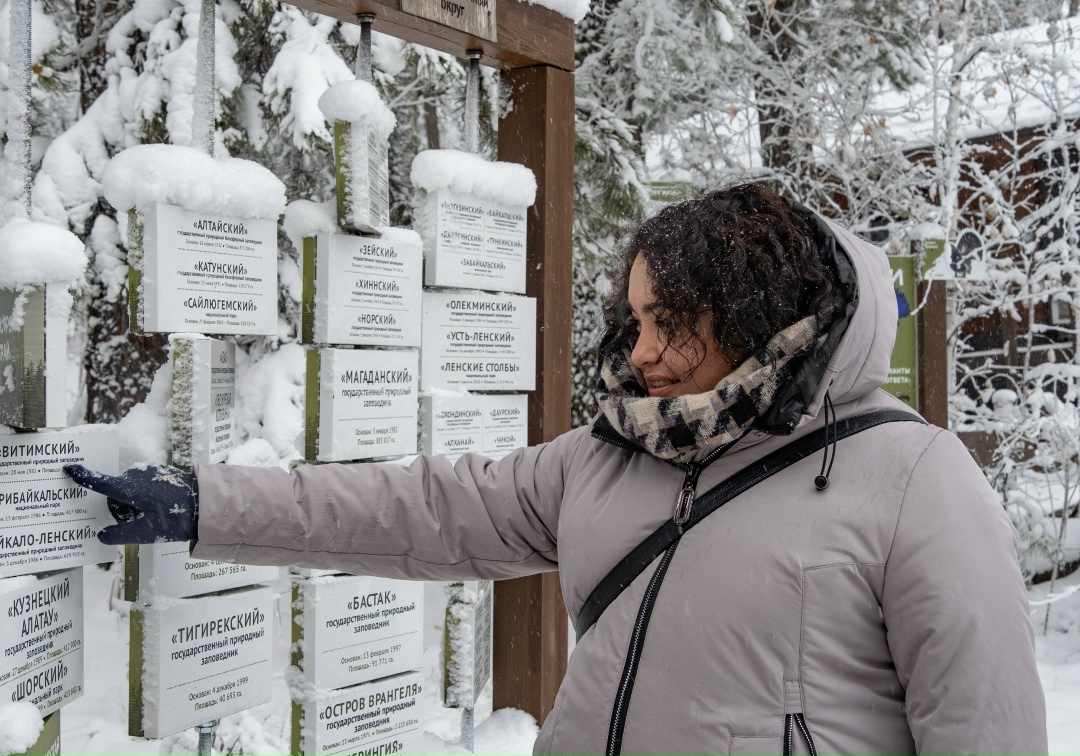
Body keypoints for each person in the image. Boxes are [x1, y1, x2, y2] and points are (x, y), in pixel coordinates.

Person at [66, 182, 1047, 755]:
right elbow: (426, 510)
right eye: (637, 319)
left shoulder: (914, 476)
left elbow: (985, 724)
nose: (644, 352)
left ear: (759, 311)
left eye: (675, 323)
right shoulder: (618, 451)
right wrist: (206, 503)